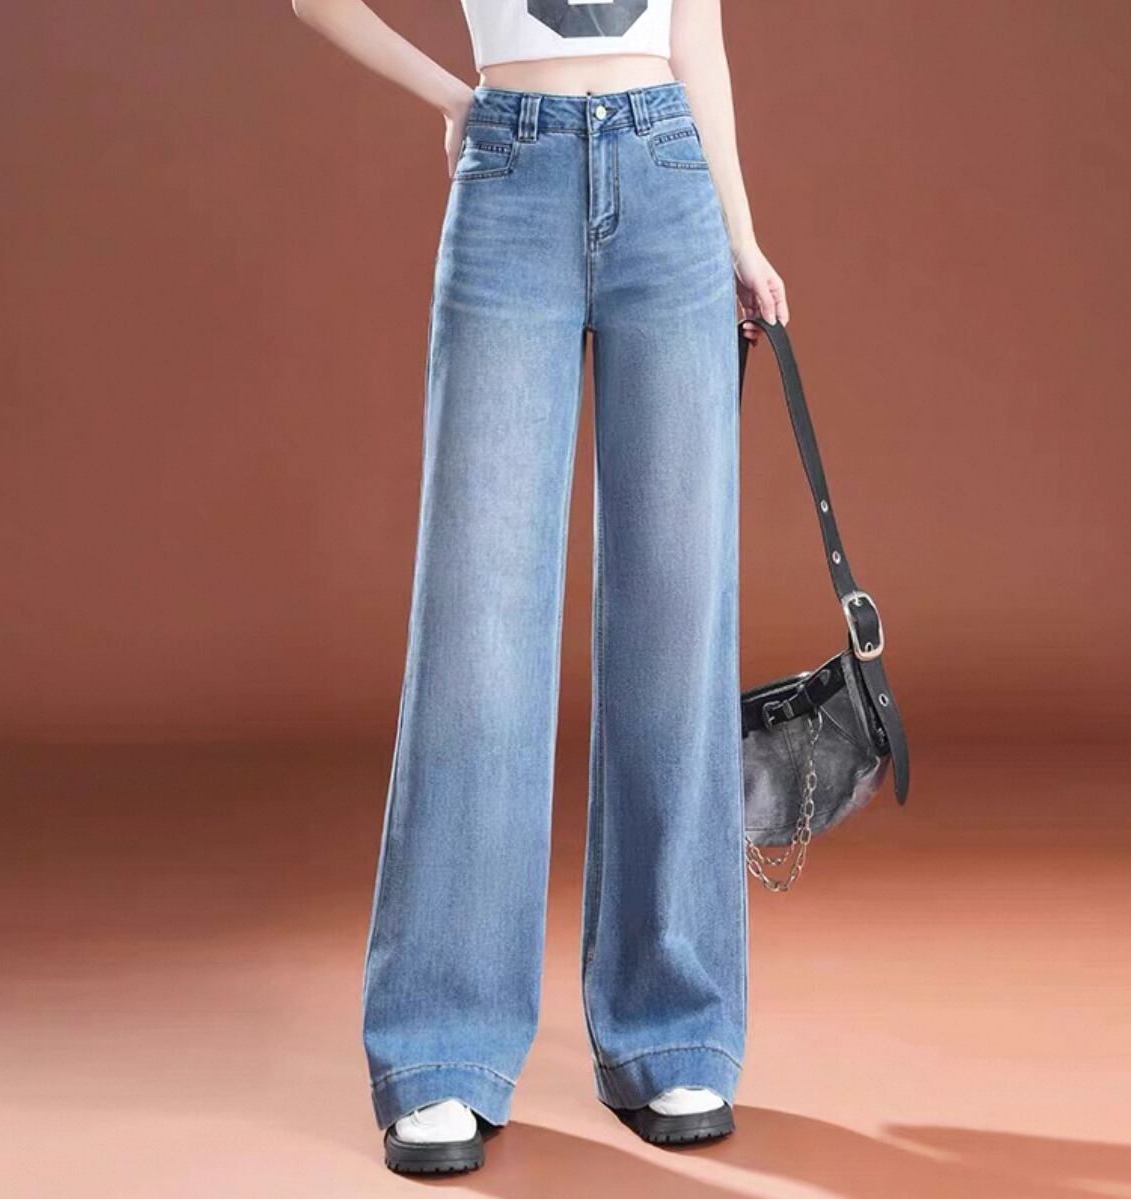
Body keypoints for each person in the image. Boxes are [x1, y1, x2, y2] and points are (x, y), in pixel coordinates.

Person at [292, 0, 788, 1175]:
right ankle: (442, 1045)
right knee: (479, 626)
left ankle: (673, 1023)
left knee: (677, 617)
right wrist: (455, 99)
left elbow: (697, 33)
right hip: (510, 179)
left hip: (670, 178)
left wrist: (740, 231)